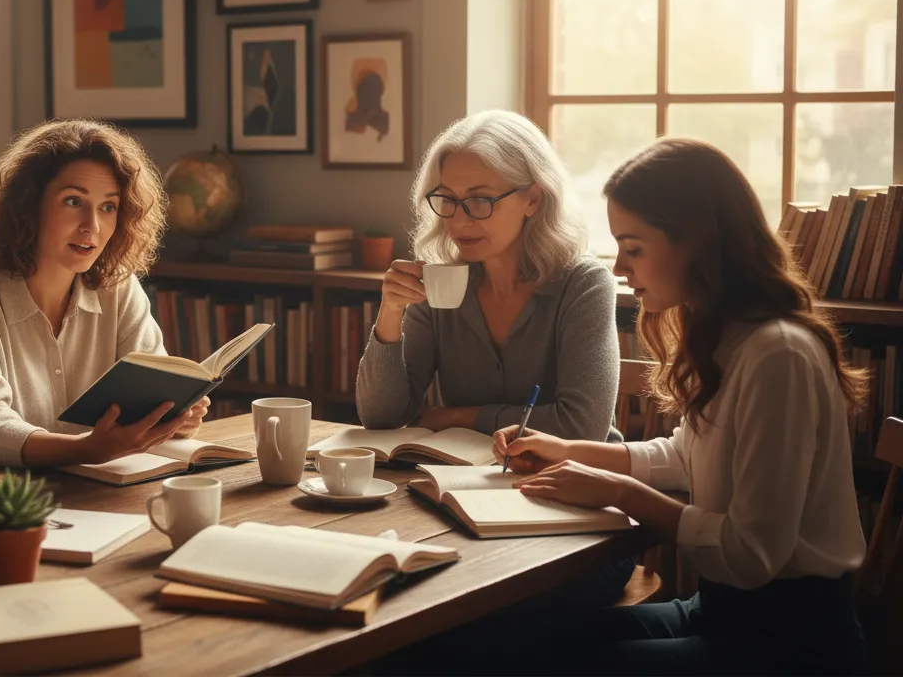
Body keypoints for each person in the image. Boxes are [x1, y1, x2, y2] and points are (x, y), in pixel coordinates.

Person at [488, 137, 867, 674]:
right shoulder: (727, 336)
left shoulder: (777, 354)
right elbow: (687, 456)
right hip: (722, 612)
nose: (619, 266)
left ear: (698, 244)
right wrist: (566, 449)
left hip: (789, 643)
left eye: (634, 247)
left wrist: (620, 491)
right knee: (525, 641)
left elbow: (749, 554)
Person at [0, 119, 208, 470]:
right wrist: (85, 449)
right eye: (74, 201)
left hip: (82, 493)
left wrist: (175, 417)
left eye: (109, 207)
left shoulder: (118, 288)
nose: (93, 225)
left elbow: (152, 392)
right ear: (29, 204)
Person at [357, 109, 622, 445]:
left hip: (572, 483)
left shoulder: (583, 284)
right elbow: (381, 417)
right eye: (448, 199)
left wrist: (459, 417)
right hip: (465, 480)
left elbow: (582, 429)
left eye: (480, 200)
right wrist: (390, 314)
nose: (459, 220)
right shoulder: (440, 280)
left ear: (533, 200)